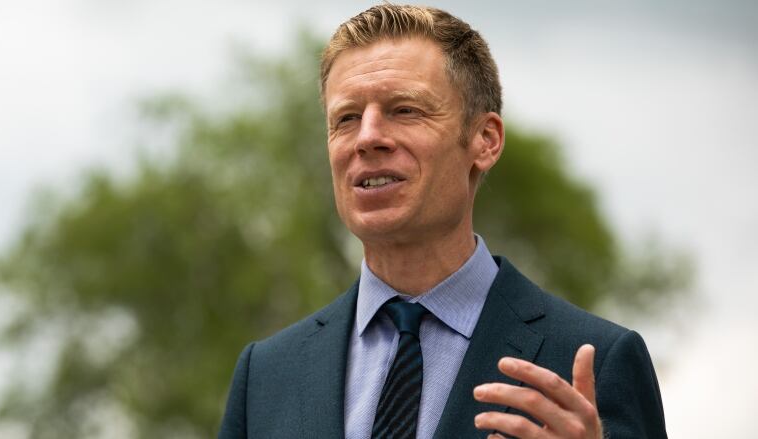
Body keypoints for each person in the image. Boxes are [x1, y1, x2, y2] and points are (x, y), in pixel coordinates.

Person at [218, 4, 666, 439]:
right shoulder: (265, 374)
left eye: (405, 110)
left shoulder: (596, 361)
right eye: (347, 118)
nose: (368, 137)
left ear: (485, 140)